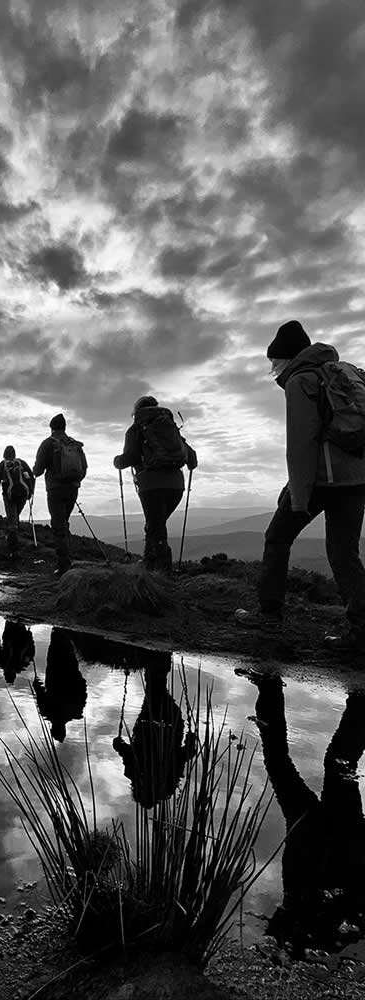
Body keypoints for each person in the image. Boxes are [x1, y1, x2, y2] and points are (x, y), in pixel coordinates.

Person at [235, 321, 365, 653]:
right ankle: (361, 629)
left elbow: (302, 443)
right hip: (356, 478)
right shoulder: (342, 373)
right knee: (343, 552)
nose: (274, 370)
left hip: (322, 479)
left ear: (286, 358)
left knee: (277, 538)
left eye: (275, 362)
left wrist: (299, 495)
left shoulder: (301, 380)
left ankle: (269, 614)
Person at [251, 673, 365, 958]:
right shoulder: (318, 919)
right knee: (331, 763)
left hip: (311, 828)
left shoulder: (308, 915)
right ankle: (270, 687)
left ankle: (360, 703)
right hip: (330, 831)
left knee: (333, 763)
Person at [113, 396, 198, 573]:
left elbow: (130, 457)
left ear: (137, 411)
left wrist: (117, 461)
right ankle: (150, 563)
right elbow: (193, 460)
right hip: (176, 487)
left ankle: (162, 571)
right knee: (154, 524)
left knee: (156, 526)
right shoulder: (170, 428)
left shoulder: (136, 429)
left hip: (151, 486)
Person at [112, 665, 197, 808]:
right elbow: (126, 752)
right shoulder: (135, 773)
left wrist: (191, 740)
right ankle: (156, 664)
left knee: (156, 691)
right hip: (150, 723)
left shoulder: (167, 778)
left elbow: (184, 755)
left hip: (168, 725)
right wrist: (118, 745)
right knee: (155, 691)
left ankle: (157, 665)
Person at [32, 413, 87, 575]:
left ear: (51, 427)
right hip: (73, 488)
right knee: (64, 522)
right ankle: (67, 559)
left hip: (55, 489)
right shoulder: (74, 444)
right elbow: (84, 467)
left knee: (58, 525)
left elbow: (38, 470)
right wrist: (75, 481)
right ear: (64, 427)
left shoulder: (48, 443)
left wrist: (37, 471)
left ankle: (64, 566)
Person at [32, 627, 87, 742]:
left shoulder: (75, 711)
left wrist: (79, 678)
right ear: (53, 728)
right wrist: (36, 684)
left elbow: (83, 692)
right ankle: (59, 629)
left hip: (70, 673)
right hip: (54, 673)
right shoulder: (47, 711)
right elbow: (39, 691)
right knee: (57, 648)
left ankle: (62, 630)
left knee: (66, 650)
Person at [0, 445, 34, 556]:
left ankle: (13, 547)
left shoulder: (2, 465)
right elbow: (31, 476)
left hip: (9, 496)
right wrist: (31, 491)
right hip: (23, 494)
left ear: (4, 454)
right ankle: (14, 537)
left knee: (12, 517)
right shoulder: (22, 463)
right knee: (15, 515)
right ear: (14, 454)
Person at [0, 619, 35, 684]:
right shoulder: (22, 664)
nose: (10, 669)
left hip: (10, 634)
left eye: (7, 671)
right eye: (11, 672)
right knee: (17, 618)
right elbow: (31, 652)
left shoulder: (2, 662)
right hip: (20, 635)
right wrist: (30, 636)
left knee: (12, 618)